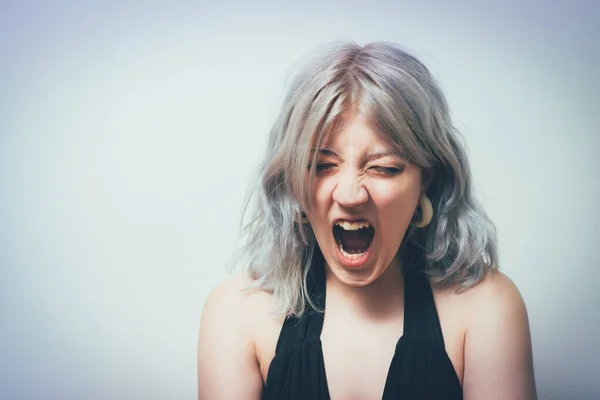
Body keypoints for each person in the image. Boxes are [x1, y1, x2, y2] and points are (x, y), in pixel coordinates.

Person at [197, 41, 537, 399]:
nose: (350, 194)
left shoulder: (486, 308)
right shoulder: (235, 315)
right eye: (322, 166)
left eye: (384, 167)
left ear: (427, 178)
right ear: (293, 181)